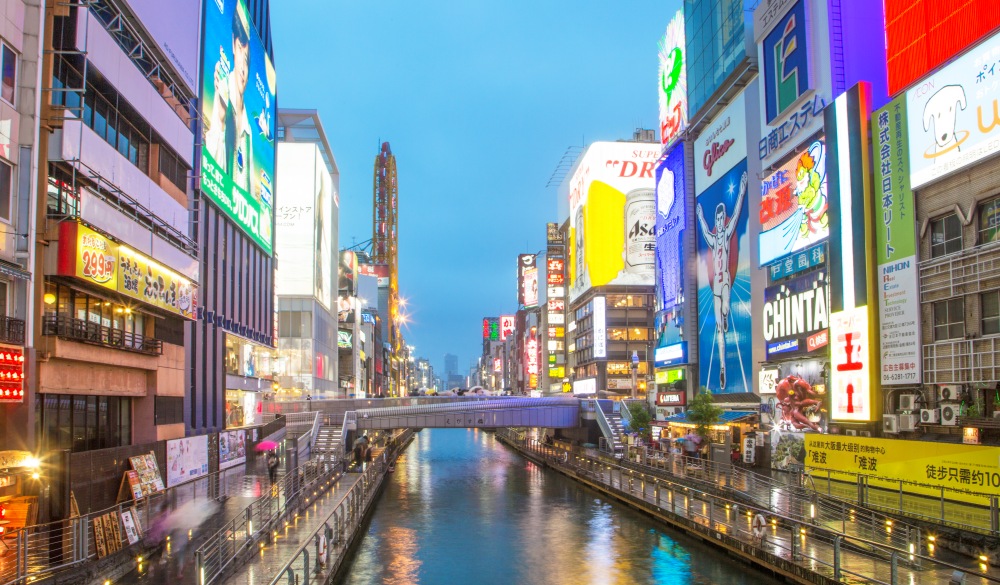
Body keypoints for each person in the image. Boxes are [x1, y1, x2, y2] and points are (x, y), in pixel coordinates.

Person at [696, 171, 747, 390]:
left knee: (726, 306)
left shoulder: (725, 235)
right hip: (716, 288)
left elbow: (736, 213)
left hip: (724, 281)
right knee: (718, 330)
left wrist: (743, 187)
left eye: (720, 218)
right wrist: (699, 214)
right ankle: (723, 367)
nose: (719, 221)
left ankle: (726, 313)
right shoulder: (712, 237)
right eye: (717, 219)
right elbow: (705, 229)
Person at [204, 1, 253, 197]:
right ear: (233, 46)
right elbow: (209, 172)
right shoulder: (221, 93)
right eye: (240, 53)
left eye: (247, 60)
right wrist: (220, 121)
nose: (242, 67)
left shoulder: (249, 128)